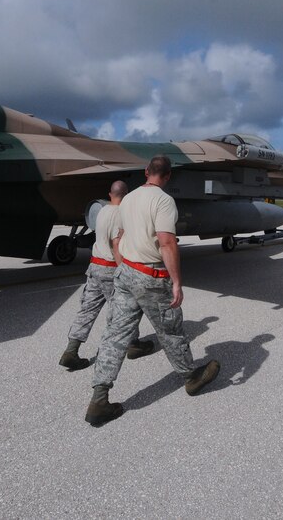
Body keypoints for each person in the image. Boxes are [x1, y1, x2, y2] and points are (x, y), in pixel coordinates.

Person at [85, 155, 220, 426]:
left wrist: (124, 268)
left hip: (125, 273)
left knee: (115, 334)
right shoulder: (163, 200)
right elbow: (167, 242)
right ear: (168, 176)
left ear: (147, 172)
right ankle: (191, 377)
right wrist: (177, 282)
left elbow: (119, 238)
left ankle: (99, 398)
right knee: (170, 330)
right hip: (151, 275)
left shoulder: (129, 198)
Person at [59, 181, 154, 371]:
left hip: (94, 266)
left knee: (87, 310)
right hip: (111, 267)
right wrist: (124, 271)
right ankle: (133, 344)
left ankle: (71, 350)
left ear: (110, 194)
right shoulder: (123, 215)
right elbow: (117, 245)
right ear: (126, 195)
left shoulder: (102, 211)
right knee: (125, 308)